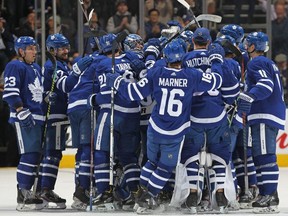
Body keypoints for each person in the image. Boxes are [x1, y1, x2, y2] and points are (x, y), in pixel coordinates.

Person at [105, 38, 225, 214]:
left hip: (155, 128)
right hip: (174, 133)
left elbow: (134, 92)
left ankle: (141, 197)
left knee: (151, 162)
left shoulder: (156, 73)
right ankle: (147, 197)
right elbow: (216, 81)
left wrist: (117, 82)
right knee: (165, 167)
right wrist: (216, 60)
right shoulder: (192, 75)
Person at [180, 28, 238, 213]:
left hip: (193, 116)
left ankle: (193, 193)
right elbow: (232, 93)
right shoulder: (220, 60)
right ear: (210, 42)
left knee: (191, 154)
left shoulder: (185, 59)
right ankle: (220, 194)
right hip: (216, 115)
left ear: (192, 41)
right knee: (220, 155)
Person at [87, 33, 142, 211]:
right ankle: (134, 193)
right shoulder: (133, 58)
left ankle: (104, 193)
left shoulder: (103, 63)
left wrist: (93, 99)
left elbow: (105, 95)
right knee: (128, 157)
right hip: (133, 114)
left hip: (112, 112)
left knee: (102, 152)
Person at [40, 33, 93, 209]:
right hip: (54, 115)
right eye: (61, 48)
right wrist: (77, 71)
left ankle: (45, 189)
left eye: (66, 47)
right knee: (52, 153)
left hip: (61, 114)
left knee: (55, 152)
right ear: (51, 50)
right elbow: (66, 85)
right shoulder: (52, 65)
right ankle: (44, 190)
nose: (65, 50)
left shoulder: (60, 64)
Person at [237, 31, 286, 213]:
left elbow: (266, 85)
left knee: (264, 156)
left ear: (254, 46)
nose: (245, 45)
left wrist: (249, 96)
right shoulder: (264, 62)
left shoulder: (257, 62)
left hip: (265, 114)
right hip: (264, 114)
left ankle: (269, 194)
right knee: (259, 155)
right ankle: (268, 193)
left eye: (248, 43)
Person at [2, 36, 45, 211]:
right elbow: (11, 93)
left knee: (35, 155)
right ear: (21, 51)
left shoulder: (35, 67)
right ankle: (23, 193)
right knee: (29, 154)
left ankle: (29, 192)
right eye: (31, 49)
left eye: (35, 48)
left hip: (37, 117)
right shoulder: (14, 65)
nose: (34, 52)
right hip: (24, 117)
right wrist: (21, 110)